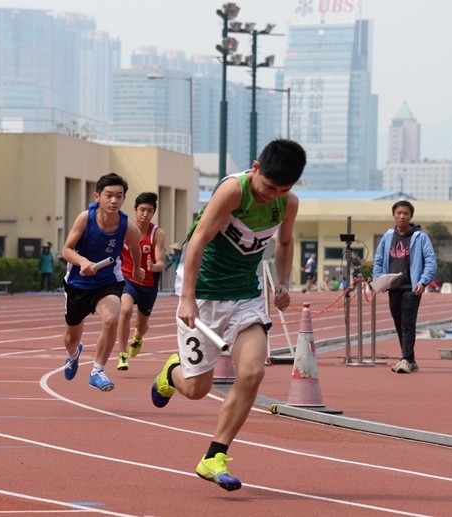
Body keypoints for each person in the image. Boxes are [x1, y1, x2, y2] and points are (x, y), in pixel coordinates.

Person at [150, 139, 306, 491]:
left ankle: (214, 456)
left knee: (253, 371)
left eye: (283, 189)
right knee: (195, 388)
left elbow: (284, 242)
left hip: (244, 296)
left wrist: (282, 283)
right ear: (255, 168)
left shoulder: (288, 203)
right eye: (268, 186)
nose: (272, 195)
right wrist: (187, 297)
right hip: (203, 293)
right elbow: (197, 242)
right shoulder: (233, 191)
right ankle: (171, 373)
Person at [60, 173, 144, 392]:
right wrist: (82, 262)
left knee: (111, 318)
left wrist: (136, 269)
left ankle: (97, 371)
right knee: (70, 337)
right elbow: (66, 250)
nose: (114, 201)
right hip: (78, 284)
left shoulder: (126, 226)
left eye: (119, 196)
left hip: (108, 282)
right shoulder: (85, 218)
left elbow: (135, 247)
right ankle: (73, 354)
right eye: (109, 195)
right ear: (97, 196)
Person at [373, 200, 437, 374]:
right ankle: (410, 358)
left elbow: (430, 261)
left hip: (412, 287)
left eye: (406, 213)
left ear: (411, 216)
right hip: (393, 287)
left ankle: (406, 359)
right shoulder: (387, 237)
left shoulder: (420, 237)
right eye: (399, 213)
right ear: (393, 215)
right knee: (399, 323)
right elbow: (378, 259)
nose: (402, 216)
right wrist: (378, 280)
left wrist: (423, 281)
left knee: (407, 323)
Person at [115, 192, 166, 371]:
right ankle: (122, 354)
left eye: (149, 211)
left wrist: (154, 267)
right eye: (142, 210)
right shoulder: (125, 230)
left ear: (153, 213)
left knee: (141, 325)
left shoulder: (157, 234)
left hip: (148, 283)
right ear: (135, 210)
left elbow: (161, 262)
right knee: (125, 310)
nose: (145, 214)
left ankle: (137, 336)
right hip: (128, 277)